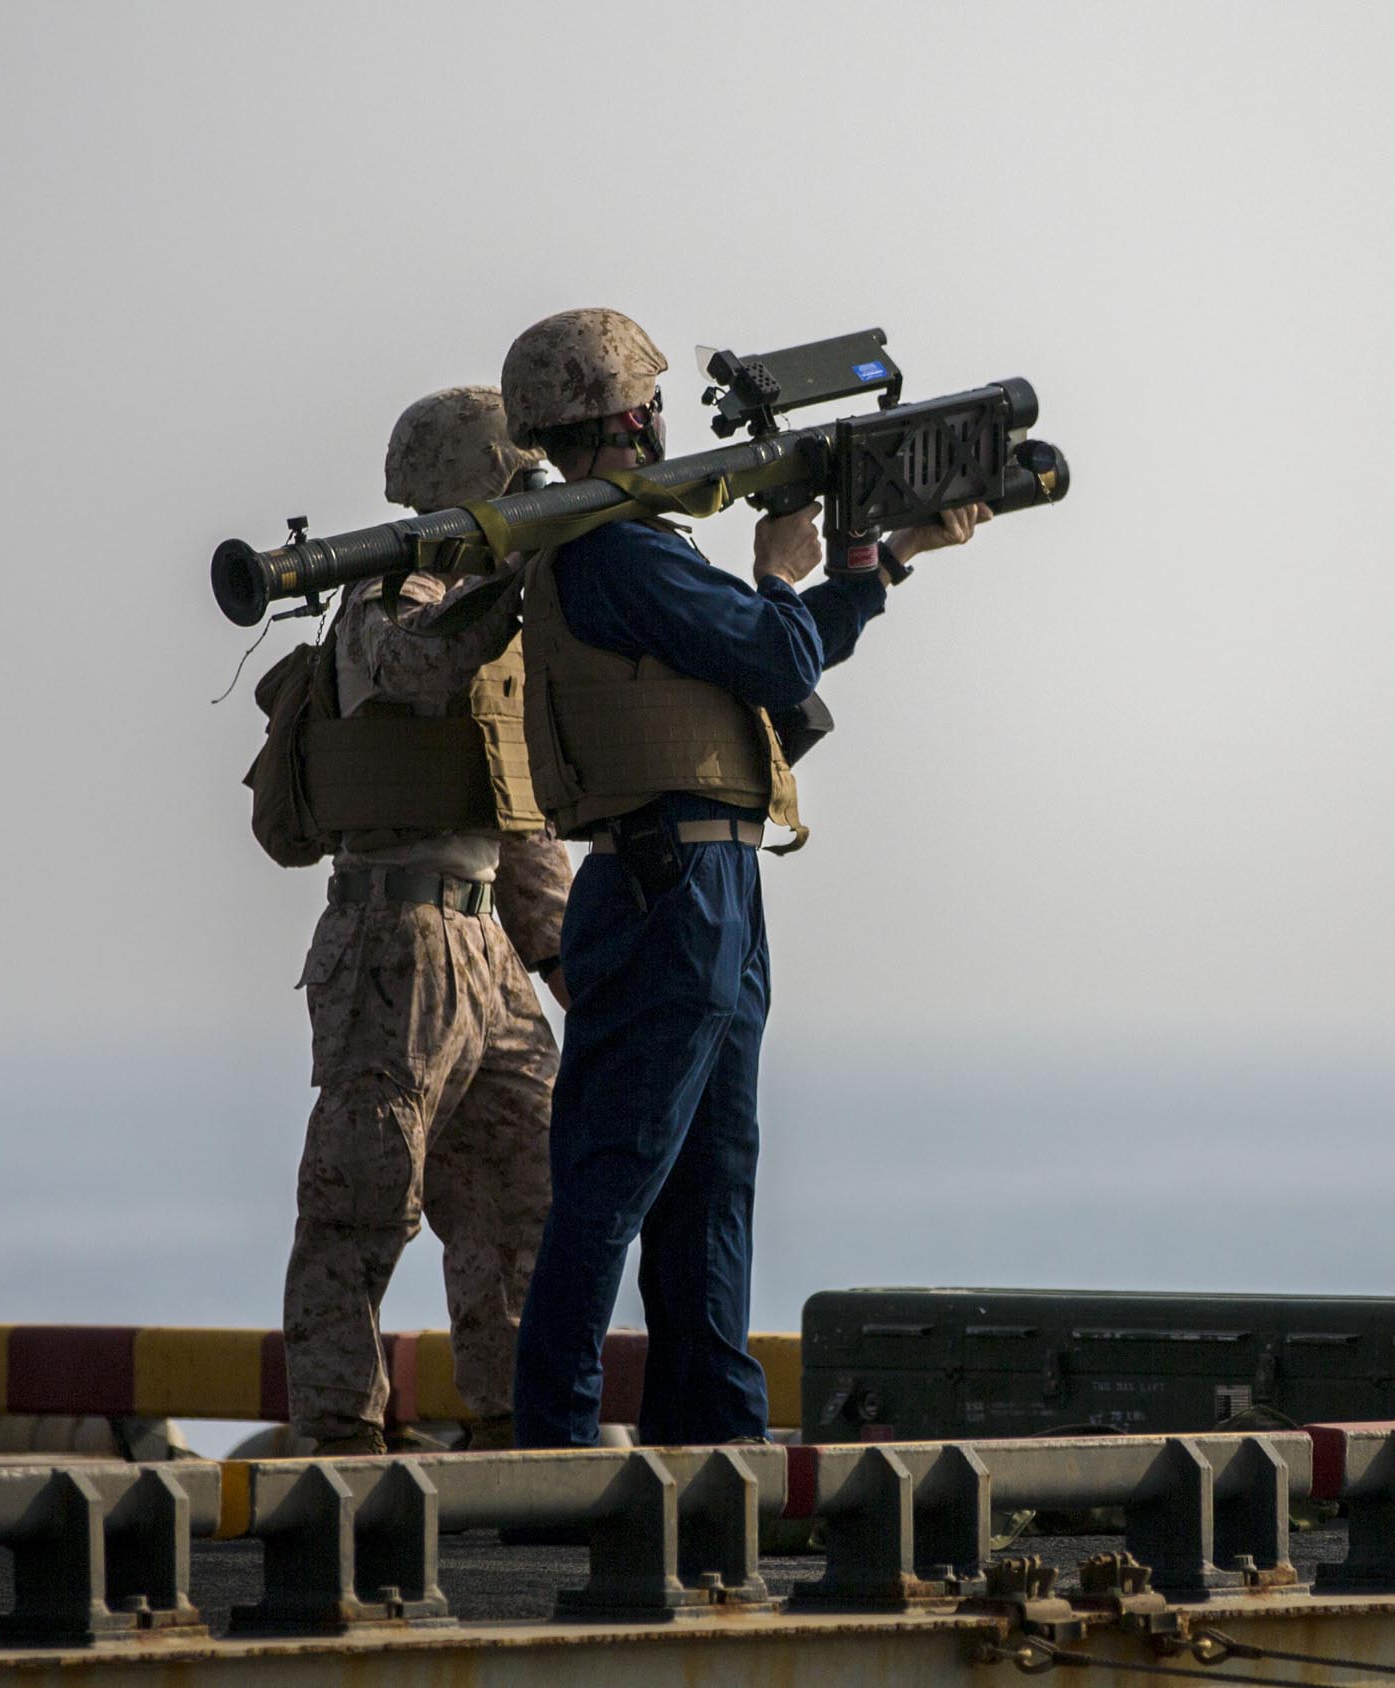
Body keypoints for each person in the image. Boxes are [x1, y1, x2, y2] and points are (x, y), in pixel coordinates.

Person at [499, 307, 980, 1446]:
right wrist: (781, 566)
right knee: (615, 1180)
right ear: (631, 414)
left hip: (700, 884)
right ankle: (552, 1449)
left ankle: (709, 1439)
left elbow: (771, 659)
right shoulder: (618, 549)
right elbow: (774, 648)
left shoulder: (618, 549)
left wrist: (883, 557)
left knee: (710, 1185)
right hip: (676, 890)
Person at [280, 386, 572, 1455]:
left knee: (522, 1187)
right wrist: (514, 580)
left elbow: (518, 813)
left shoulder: (496, 608)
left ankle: (509, 1415)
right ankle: (340, 1434)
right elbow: (422, 666)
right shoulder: (383, 597)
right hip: (393, 938)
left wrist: (564, 960)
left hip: (484, 939)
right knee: (363, 1195)